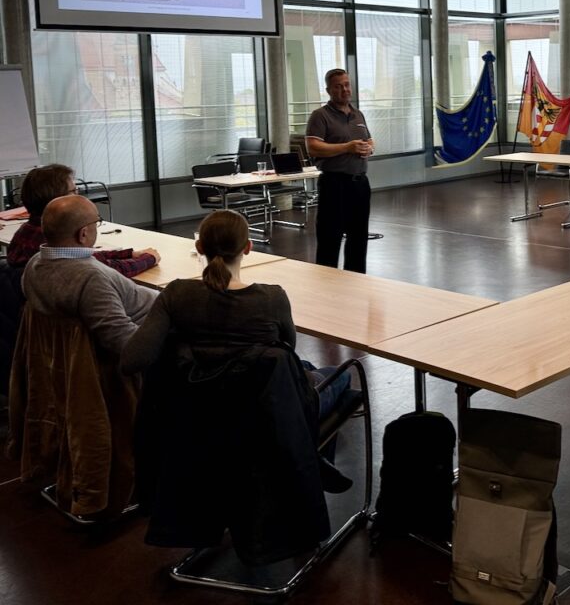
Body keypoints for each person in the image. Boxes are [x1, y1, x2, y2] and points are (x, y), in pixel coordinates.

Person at [122, 209, 355, 492]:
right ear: (248, 247)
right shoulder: (272, 298)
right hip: (265, 412)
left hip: (199, 410)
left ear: (198, 248)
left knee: (301, 365)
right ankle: (310, 468)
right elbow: (285, 354)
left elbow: (132, 360)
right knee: (337, 375)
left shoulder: (175, 294)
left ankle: (310, 462)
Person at [21, 194, 156, 355]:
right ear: (83, 234)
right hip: (152, 324)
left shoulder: (34, 263)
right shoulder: (91, 279)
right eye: (96, 222)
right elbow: (123, 341)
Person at [7, 164, 160, 274]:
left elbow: (89, 258)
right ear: (59, 200)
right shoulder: (52, 239)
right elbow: (105, 271)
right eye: (74, 191)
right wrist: (148, 259)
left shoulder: (27, 230)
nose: (79, 196)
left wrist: (128, 254)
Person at [305, 68, 374, 273]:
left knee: (359, 237)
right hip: (335, 184)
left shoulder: (357, 114)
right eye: (338, 86)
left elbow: (368, 139)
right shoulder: (320, 116)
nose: (344, 89)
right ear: (328, 90)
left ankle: (356, 280)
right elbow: (313, 147)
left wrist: (369, 147)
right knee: (330, 237)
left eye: (347, 84)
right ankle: (327, 283)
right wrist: (347, 147)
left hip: (360, 183)